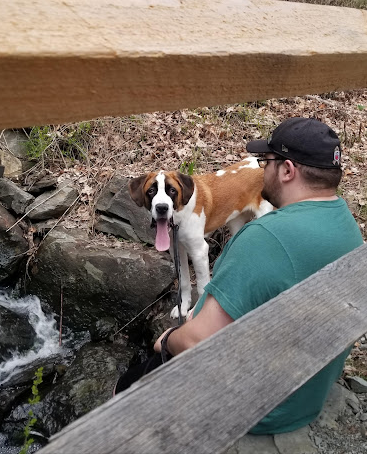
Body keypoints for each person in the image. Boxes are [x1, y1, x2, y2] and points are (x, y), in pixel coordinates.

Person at [116, 117, 363, 434]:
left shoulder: (263, 239)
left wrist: (166, 340)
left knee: (127, 386)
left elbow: (195, 342)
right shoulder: (350, 231)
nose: (261, 170)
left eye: (266, 162)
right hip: (306, 394)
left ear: (287, 170)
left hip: (257, 408)